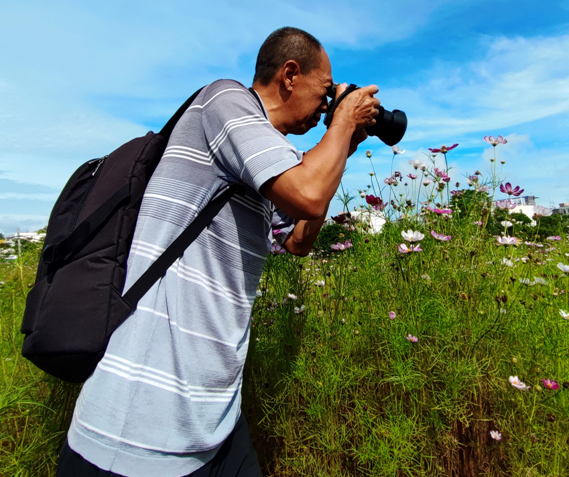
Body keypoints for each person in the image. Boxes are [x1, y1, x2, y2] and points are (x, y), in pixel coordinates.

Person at [57, 27, 379, 477]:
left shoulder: (272, 160)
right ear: (289, 75)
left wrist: (346, 145)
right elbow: (308, 192)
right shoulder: (224, 101)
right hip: (138, 430)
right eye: (326, 92)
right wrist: (344, 120)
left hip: (214, 423)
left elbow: (300, 239)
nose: (328, 105)